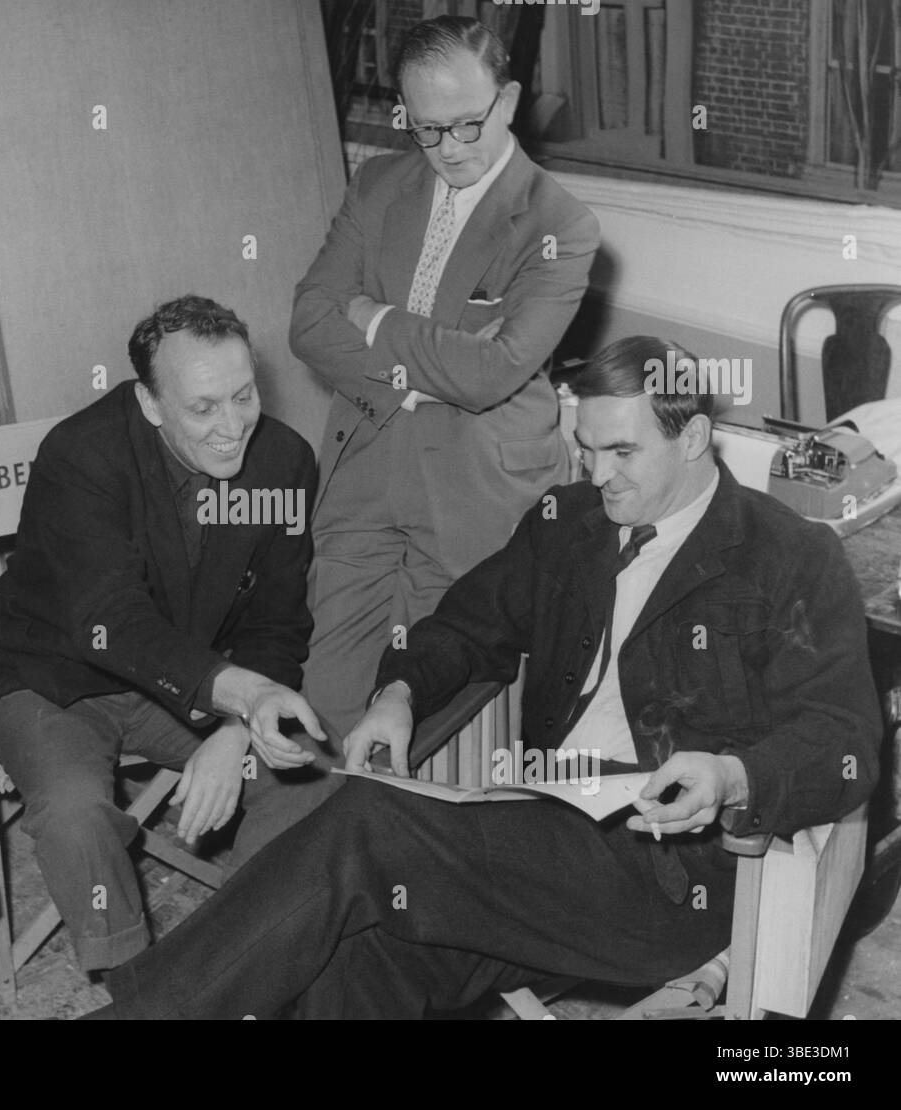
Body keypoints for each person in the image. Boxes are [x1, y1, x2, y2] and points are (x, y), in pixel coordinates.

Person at [97, 335, 881, 1019]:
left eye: (622, 452)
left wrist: (730, 776)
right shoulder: (568, 524)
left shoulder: (789, 558)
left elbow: (844, 742)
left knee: (373, 821)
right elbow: (466, 627)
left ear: (696, 437)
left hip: (669, 875)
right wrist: (399, 697)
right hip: (539, 834)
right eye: (586, 448)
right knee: (362, 948)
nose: (597, 474)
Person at [0, 294, 338, 973]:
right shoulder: (83, 455)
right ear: (149, 402)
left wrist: (237, 732)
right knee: (76, 814)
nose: (233, 426)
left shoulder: (284, 462)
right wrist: (238, 695)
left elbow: (278, 620)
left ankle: (260, 958)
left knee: (317, 782)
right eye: (203, 408)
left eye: (245, 396)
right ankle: (134, 986)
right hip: (52, 678)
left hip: (183, 681)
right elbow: (111, 621)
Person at [292, 15, 600, 735]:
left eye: (467, 124)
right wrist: (437, 364)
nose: (449, 149)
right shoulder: (376, 184)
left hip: (474, 494)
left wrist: (371, 314)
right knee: (325, 700)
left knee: (429, 715)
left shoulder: (562, 225)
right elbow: (307, 324)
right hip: (363, 478)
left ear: (510, 98)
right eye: (426, 129)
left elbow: (491, 374)